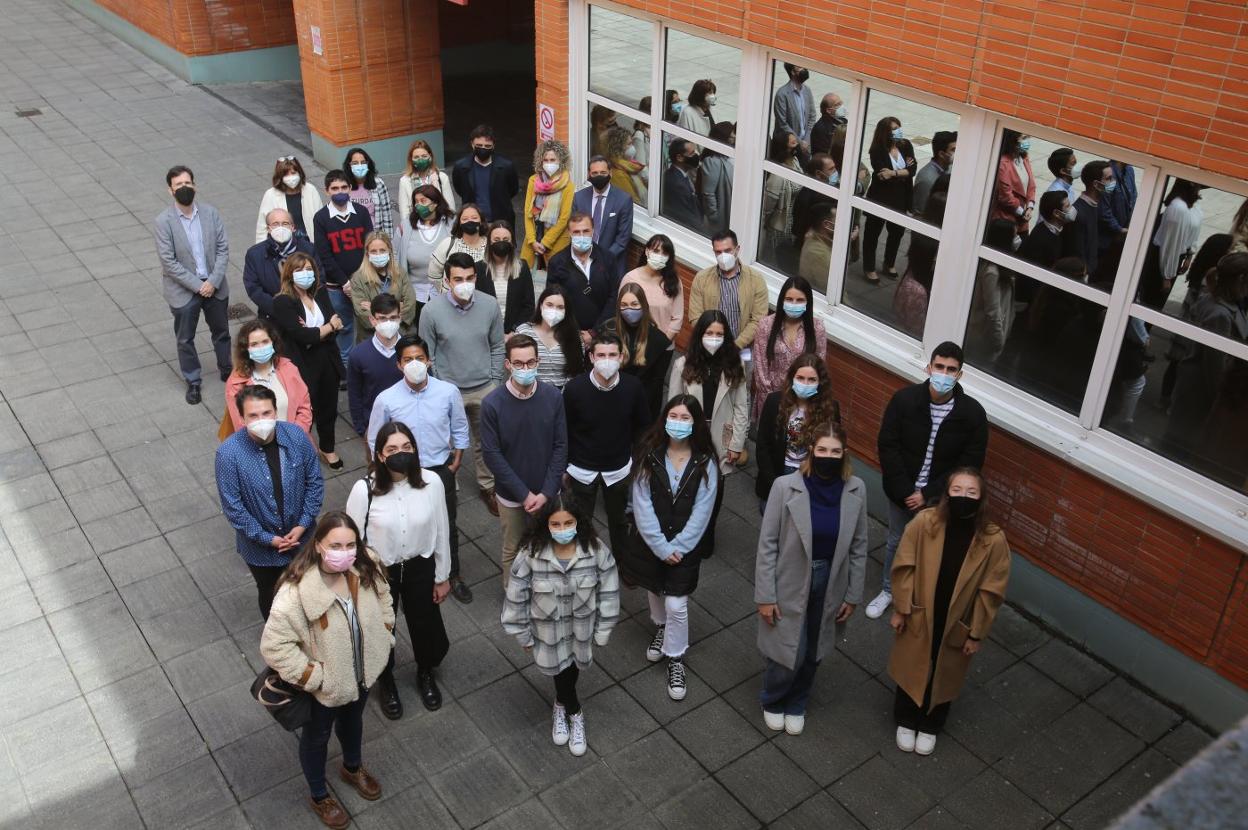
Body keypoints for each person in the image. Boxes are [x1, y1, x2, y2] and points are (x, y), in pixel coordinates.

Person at [259, 511, 393, 828]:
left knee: (353, 723)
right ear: (318, 545)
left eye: (351, 544)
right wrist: (316, 678)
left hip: (361, 676)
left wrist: (385, 633)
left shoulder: (368, 563)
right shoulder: (295, 592)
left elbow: (385, 596)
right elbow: (274, 646)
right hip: (325, 689)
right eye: (336, 544)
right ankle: (319, 795)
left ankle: (352, 767)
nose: (345, 552)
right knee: (316, 739)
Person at [756, 420, 868, 735]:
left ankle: (797, 701)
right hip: (792, 579)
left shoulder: (856, 488)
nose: (828, 456)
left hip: (831, 579)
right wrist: (765, 595)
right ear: (811, 451)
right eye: (822, 450)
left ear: (844, 453)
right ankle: (773, 698)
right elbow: (767, 545)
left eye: (835, 451)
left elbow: (859, 546)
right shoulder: (784, 487)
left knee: (815, 648)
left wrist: (853, 595)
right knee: (789, 646)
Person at [888, 468, 1011, 755]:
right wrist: (902, 609)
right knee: (913, 662)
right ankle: (905, 718)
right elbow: (905, 565)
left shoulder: (993, 540)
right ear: (947, 493)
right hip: (921, 610)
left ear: (981, 498)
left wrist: (977, 633)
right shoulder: (924, 523)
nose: (963, 497)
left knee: (946, 670)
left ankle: (931, 723)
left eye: (971, 492)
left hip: (959, 618)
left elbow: (992, 591)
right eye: (957, 490)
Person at [868, 342, 989, 621]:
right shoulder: (904, 400)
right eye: (939, 367)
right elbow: (888, 445)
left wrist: (928, 494)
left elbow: (969, 464)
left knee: (932, 548)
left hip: (940, 497)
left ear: (960, 374)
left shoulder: (972, 414)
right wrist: (905, 491)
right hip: (902, 491)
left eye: (951, 369)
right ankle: (889, 590)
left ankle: (919, 598)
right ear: (929, 367)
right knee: (896, 540)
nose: (944, 374)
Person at [346, 422, 452, 718]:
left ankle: (425, 672)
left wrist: (442, 576)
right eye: (392, 449)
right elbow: (351, 542)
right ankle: (386, 680)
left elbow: (442, 529)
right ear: (380, 455)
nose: (400, 453)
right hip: (381, 572)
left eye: (406, 447)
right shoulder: (363, 490)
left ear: (415, 449)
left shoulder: (432, 482)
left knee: (425, 622)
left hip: (421, 566)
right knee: (382, 628)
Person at [502, 494, 620, 757]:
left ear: (579, 522)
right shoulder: (531, 554)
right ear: (546, 525)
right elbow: (516, 596)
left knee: (572, 666)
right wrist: (523, 635)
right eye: (556, 524)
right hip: (548, 633)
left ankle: (560, 702)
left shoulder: (596, 551)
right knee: (560, 670)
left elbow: (609, 591)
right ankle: (573, 710)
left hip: (581, 632)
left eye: (568, 523)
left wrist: (602, 630)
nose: (563, 529)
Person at [620, 395, 720, 701]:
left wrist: (680, 546)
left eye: (685, 417)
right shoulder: (649, 454)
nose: (678, 422)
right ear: (664, 419)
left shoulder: (705, 463)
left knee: (677, 604)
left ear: (696, 424)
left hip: (684, 548)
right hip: (653, 544)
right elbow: (641, 505)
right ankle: (661, 628)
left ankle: (675, 656)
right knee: (654, 588)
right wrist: (661, 547)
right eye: (673, 416)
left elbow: (703, 511)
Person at [367, 335, 473, 604]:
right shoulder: (386, 399)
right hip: (400, 473)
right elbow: (374, 439)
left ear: (429, 360)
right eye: (408, 359)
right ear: (399, 365)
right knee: (405, 521)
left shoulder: (448, 392)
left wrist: (456, 461)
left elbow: (460, 427)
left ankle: (452, 575)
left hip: (439, 469)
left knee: (446, 524)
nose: (415, 364)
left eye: (419, 358)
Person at [216, 385, 323, 620]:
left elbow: (314, 483)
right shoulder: (228, 454)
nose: (261, 420)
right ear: (242, 418)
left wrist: (303, 525)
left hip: (302, 539)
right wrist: (268, 539)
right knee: (270, 594)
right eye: (253, 415)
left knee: (308, 589)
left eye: (266, 413)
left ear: (275, 411)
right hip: (260, 549)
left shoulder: (296, 437)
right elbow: (234, 508)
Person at [419, 251, 505, 514]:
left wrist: (495, 380)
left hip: (484, 388)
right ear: (447, 280)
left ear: (476, 277)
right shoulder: (431, 310)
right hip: (448, 389)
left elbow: (497, 344)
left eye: (469, 278)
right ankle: (448, 485)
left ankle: (487, 486)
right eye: (458, 278)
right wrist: (437, 387)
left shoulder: (489, 305)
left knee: (486, 441)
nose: (464, 283)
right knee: (445, 442)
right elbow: (427, 354)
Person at [480, 334, 569, 587]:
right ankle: (515, 598)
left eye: (531, 362)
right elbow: (492, 455)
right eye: (519, 364)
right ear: (507, 364)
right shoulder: (492, 404)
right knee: (513, 549)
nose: (525, 369)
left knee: (550, 546)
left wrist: (547, 491)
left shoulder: (553, 397)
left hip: (547, 492)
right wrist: (524, 495)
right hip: (511, 496)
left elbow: (561, 445)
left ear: (538, 361)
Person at [563, 333, 651, 557]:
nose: (607, 360)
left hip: (619, 469)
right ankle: (581, 561)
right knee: (579, 522)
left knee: (619, 522)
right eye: (601, 354)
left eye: (612, 355)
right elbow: (563, 430)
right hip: (581, 470)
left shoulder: (634, 387)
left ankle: (624, 564)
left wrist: (637, 461)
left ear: (621, 357)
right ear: (591, 357)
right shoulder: (574, 389)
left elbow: (643, 427)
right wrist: (564, 466)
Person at [155, 165, 231, 405]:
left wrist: (212, 281)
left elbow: (222, 249)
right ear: (170, 190)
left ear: (195, 185)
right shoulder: (163, 222)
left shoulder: (211, 213)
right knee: (185, 338)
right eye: (178, 185)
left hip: (214, 284)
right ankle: (193, 381)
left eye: (187, 183)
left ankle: (227, 369)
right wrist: (199, 286)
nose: (184, 188)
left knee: (221, 332)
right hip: (184, 290)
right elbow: (168, 262)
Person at [1163, 253, 1248, 458]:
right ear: (1240, 279)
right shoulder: (1219, 314)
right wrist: (1219, 403)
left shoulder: (1223, 302)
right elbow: (1214, 366)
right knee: (1181, 447)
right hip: (1199, 391)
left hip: (1197, 384)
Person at [271, 252, 345, 468]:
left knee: (328, 407)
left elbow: (337, 324)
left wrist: (321, 331)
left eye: (309, 269)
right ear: (289, 275)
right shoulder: (283, 302)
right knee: (304, 410)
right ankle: (302, 450)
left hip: (327, 360)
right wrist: (327, 327)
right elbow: (302, 336)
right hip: (302, 364)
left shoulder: (320, 294)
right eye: (299, 270)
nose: (305, 274)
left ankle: (327, 448)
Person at [667, 311, 749, 473]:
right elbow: (673, 408)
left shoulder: (736, 364)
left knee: (717, 483)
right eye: (709, 333)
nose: (714, 338)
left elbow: (741, 407)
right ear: (700, 335)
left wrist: (736, 444)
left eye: (719, 334)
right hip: (690, 433)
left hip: (721, 435)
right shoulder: (682, 365)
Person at [755, 355, 841, 509]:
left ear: (820, 382)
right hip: (778, 472)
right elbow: (763, 445)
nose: (805, 384)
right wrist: (774, 482)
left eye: (811, 380)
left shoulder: (831, 409)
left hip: (810, 476)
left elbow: (833, 446)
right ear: (792, 378)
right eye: (800, 378)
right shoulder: (774, 402)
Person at [313, 170, 373, 368]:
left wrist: (359, 279)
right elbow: (324, 255)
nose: (340, 192)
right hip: (336, 287)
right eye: (335, 188)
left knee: (369, 324)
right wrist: (345, 282)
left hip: (364, 282)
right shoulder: (321, 218)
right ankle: (346, 370)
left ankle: (369, 365)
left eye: (344, 187)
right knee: (344, 329)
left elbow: (370, 246)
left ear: (350, 188)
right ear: (327, 191)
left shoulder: (361, 212)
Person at [688, 230, 770, 368]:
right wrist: (712, 341)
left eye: (727, 250)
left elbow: (758, 320)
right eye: (718, 252)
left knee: (740, 386)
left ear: (737, 249)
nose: (723, 256)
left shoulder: (756, 280)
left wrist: (735, 346)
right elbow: (695, 317)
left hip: (742, 350)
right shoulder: (702, 279)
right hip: (709, 346)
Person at [752, 276, 828, 421]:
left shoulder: (817, 327)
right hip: (771, 397)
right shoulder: (766, 325)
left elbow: (820, 366)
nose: (794, 304)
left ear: (808, 302)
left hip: (804, 399)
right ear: (782, 300)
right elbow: (760, 368)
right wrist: (772, 400)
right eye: (789, 299)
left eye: (799, 300)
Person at [224, 320, 312, 436]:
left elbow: (304, 407)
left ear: (273, 343)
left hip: (294, 439)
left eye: (265, 342)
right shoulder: (236, 384)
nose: (261, 347)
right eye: (254, 344)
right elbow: (241, 425)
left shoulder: (289, 369)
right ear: (245, 349)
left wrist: (295, 436)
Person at [599, 284, 672, 419]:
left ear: (643, 305)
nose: (629, 309)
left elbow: (656, 384)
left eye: (634, 304)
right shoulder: (607, 331)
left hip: (641, 405)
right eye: (624, 305)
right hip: (608, 399)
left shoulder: (660, 341)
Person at [546, 212, 620, 335]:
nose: (581, 235)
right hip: (570, 334)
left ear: (593, 231)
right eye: (576, 232)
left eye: (586, 231)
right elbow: (554, 301)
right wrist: (575, 334)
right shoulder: (557, 262)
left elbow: (614, 297)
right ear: (569, 233)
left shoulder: (608, 258)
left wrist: (594, 332)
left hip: (604, 333)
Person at [863, 118, 916, 283]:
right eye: (894, 129)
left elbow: (912, 169)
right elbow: (881, 174)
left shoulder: (905, 145)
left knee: (897, 233)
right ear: (885, 132)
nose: (898, 131)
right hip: (882, 197)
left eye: (899, 127)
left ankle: (889, 263)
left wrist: (894, 173)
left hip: (901, 197)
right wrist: (903, 171)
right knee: (873, 233)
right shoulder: (877, 150)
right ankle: (869, 267)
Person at [1138, 178, 1204, 311]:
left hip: (1176, 257)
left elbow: (1193, 231)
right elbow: (1170, 245)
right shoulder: (1178, 208)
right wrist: (1167, 275)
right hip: (1164, 260)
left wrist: (1189, 256)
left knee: (1157, 303)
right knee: (1152, 302)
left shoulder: (1192, 205)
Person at [346, 293, 404, 440]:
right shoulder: (358, 355)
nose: (388, 322)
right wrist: (361, 429)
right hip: (375, 426)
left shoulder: (412, 350)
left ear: (400, 318)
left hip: (410, 422)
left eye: (393, 318)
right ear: (372, 320)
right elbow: (354, 394)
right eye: (382, 318)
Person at [245, 208, 320, 322]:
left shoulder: (308, 249)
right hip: (273, 316)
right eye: (275, 224)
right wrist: (280, 309)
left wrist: (305, 306)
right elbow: (254, 288)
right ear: (268, 229)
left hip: (307, 312)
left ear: (293, 227)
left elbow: (320, 278)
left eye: (285, 223)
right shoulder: (255, 254)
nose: (280, 228)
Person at [394, 183, 454, 323]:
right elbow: (395, 254)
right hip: (415, 294)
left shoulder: (451, 223)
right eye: (416, 202)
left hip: (446, 292)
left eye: (423, 201)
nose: (418, 205)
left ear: (435, 203)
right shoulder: (405, 226)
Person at [966, 219, 1019, 365]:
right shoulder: (992, 271)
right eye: (1014, 235)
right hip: (984, 337)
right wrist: (999, 341)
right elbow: (993, 311)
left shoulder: (1000, 267)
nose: (1017, 239)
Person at [572, 154, 634, 278]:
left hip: (611, 265)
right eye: (594, 173)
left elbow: (622, 239)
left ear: (610, 173)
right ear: (589, 175)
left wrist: (601, 259)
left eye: (603, 172)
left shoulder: (623, 200)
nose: (599, 176)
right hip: (582, 263)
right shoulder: (579, 198)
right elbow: (574, 230)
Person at [514, 284, 586, 390]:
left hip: (564, 396)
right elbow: (516, 366)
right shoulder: (524, 331)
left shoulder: (575, 336)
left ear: (566, 311)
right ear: (541, 305)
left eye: (560, 307)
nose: (554, 310)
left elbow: (576, 372)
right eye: (549, 305)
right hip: (530, 392)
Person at [349, 232, 417, 341]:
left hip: (402, 333)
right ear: (367, 254)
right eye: (373, 251)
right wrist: (396, 309)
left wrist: (373, 308)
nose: (378, 254)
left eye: (382, 250)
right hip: (371, 337)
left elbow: (410, 303)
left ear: (389, 251)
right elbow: (362, 313)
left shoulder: (400, 272)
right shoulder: (358, 278)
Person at [522, 139, 576, 270]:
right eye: (546, 160)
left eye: (553, 160)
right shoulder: (533, 180)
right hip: (534, 235)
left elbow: (564, 219)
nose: (549, 163)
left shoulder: (568, 186)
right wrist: (532, 240)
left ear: (561, 162)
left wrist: (546, 242)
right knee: (524, 272)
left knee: (555, 275)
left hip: (556, 239)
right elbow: (528, 213)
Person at [451, 124, 519, 226]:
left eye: (487, 146)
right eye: (479, 146)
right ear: (472, 144)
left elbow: (513, 190)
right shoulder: (461, 167)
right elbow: (461, 190)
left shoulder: (506, 167)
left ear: (493, 146)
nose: (483, 149)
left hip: (501, 222)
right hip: (473, 223)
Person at [475, 221, 535, 335]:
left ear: (512, 242)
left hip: (515, 334)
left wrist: (513, 332)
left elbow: (529, 306)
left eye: (506, 239)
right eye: (496, 240)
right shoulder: (479, 269)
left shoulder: (522, 267)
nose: (501, 243)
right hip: (486, 333)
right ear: (489, 242)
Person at [620, 234, 684, 339]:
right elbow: (622, 311)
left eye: (665, 253)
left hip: (664, 344)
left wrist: (662, 344)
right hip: (634, 341)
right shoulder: (630, 278)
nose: (660, 256)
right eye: (656, 251)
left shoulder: (674, 282)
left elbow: (677, 318)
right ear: (647, 251)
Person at [256, 155, 324, 243]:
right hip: (282, 245)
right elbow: (262, 227)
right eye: (286, 174)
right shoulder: (270, 195)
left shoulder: (310, 190)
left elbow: (320, 219)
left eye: (293, 173)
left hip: (309, 244)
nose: (291, 177)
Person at [762, 131, 803, 268]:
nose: (794, 138)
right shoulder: (777, 174)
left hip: (792, 218)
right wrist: (764, 224)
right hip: (779, 223)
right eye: (790, 139)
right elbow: (768, 206)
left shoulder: (795, 161)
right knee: (774, 254)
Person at [1065, 160, 1113, 278]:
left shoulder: (1095, 205)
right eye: (1109, 179)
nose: (1112, 182)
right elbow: (1078, 253)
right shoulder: (1078, 213)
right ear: (1096, 184)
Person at [398, 139, 456, 228]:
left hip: (441, 225)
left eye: (424, 156)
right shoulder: (405, 181)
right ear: (411, 160)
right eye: (416, 157)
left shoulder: (441, 177)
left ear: (430, 156)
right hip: (417, 226)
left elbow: (450, 206)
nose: (420, 160)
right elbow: (404, 212)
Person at [428, 203, 489, 284]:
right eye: (465, 219)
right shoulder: (447, 244)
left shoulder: (490, 245)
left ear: (481, 221)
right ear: (459, 223)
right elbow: (433, 276)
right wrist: (446, 292)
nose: (470, 221)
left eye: (474, 218)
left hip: (485, 295)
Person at [991, 130, 1037, 236]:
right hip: (1006, 220)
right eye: (1024, 138)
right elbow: (1005, 196)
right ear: (1013, 140)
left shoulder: (1024, 157)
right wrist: (1022, 212)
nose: (1027, 141)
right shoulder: (1003, 163)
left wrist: (1030, 206)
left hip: (1023, 221)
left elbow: (1031, 185)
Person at [1018, 190, 1077, 270]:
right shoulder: (1040, 239)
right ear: (1056, 213)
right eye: (1067, 206)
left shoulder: (1063, 229)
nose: (1071, 209)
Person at [344, 147, 393, 238]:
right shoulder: (344, 186)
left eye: (363, 162)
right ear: (349, 165)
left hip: (375, 236)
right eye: (355, 163)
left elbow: (387, 214)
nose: (359, 166)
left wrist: (388, 240)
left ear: (368, 164)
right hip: (352, 237)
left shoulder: (378, 184)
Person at [699, 121, 735, 236]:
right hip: (721, 219)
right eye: (730, 135)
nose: (734, 136)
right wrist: (714, 216)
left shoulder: (730, 154)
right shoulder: (712, 161)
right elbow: (708, 193)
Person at [774, 64, 816, 155]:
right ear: (793, 72)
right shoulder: (782, 94)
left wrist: (806, 140)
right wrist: (800, 142)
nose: (804, 69)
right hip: (788, 147)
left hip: (805, 144)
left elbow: (812, 116)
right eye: (800, 67)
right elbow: (783, 124)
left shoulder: (807, 90)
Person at [663, 139, 704, 232]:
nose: (696, 155)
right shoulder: (677, 184)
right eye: (692, 153)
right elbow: (687, 216)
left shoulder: (680, 175)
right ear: (679, 157)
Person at [797, 202, 838, 292]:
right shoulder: (820, 254)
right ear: (827, 225)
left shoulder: (815, 239)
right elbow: (831, 291)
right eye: (838, 219)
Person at [912, 130, 956, 217]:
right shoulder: (927, 179)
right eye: (953, 150)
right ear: (942, 154)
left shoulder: (950, 168)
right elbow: (922, 211)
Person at [603, 126, 648, 204]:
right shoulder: (617, 173)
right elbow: (632, 201)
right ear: (618, 147)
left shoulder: (630, 165)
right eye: (629, 144)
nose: (633, 147)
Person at [810, 93, 848, 157]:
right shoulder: (820, 129)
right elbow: (825, 153)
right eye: (837, 105)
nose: (841, 106)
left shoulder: (840, 120)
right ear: (828, 110)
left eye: (841, 103)